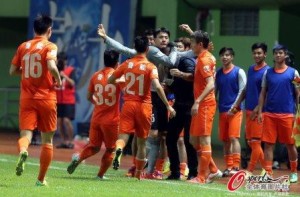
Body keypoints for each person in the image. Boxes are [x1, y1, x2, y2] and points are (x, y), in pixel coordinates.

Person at [107, 36, 176, 180]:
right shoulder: (151, 67)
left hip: (128, 105)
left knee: (123, 137)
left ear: (135, 47)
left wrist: (124, 83)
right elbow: (157, 86)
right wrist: (167, 107)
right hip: (144, 106)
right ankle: (138, 174)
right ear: (147, 49)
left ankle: (119, 149)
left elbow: (111, 79)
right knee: (142, 142)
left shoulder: (127, 64)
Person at [9, 14, 62, 186]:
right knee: (47, 140)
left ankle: (23, 150)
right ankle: (40, 179)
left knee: (26, 134)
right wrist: (59, 80)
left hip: (27, 98)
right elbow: (52, 66)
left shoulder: (23, 46)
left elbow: (12, 71)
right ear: (49, 30)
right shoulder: (50, 45)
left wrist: (25, 72)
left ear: (34, 29)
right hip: (46, 98)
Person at [67, 49, 121, 179]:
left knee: (94, 146)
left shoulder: (96, 75)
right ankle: (100, 175)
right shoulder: (118, 77)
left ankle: (79, 157)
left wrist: (98, 103)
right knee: (110, 149)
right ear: (117, 62)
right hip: (111, 120)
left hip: (96, 118)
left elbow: (88, 96)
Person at [257, 44, 299, 183]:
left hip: (287, 115)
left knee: (290, 145)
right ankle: (268, 173)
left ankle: (293, 171)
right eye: (276, 53)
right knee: (268, 144)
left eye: (281, 53)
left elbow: (298, 94)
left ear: (285, 55)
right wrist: (260, 111)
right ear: (273, 55)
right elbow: (263, 92)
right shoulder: (267, 73)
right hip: (269, 114)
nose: (278, 55)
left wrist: (297, 113)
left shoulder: (294, 73)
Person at [187, 30, 222, 184]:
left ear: (200, 44)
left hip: (205, 104)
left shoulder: (204, 60)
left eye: (193, 43)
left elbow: (211, 84)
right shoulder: (204, 56)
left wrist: (198, 101)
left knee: (204, 140)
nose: (191, 45)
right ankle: (214, 170)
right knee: (193, 140)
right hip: (201, 104)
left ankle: (201, 177)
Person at [232, 43, 269, 173]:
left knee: (255, 142)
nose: (256, 55)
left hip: (259, 112)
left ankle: (250, 170)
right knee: (250, 142)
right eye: (254, 53)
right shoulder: (251, 69)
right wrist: (237, 104)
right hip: (247, 110)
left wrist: (258, 108)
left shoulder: (268, 71)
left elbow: (267, 93)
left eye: (259, 53)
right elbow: (246, 89)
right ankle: (267, 169)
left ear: (265, 54)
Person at [215, 47, 246, 177]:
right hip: (222, 111)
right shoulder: (218, 73)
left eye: (227, 55)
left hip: (235, 111)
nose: (225, 57)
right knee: (225, 140)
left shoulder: (239, 72)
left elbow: (243, 90)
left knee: (234, 138)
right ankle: (228, 167)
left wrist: (234, 107)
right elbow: (214, 91)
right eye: (222, 55)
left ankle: (236, 166)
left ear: (232, 57)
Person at [55, 52, 76, 149]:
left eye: (62, 60)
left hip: (68, 100)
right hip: (58, 100)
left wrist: (65, 76)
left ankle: (71, 141)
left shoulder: (70, 70)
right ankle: (64, 141)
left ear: (65, 61)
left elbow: (72, 83)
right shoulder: (55, 70)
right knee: (59, 121)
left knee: (67, 121)